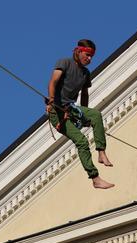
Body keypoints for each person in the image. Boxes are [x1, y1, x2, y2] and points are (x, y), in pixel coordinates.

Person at [46, 39, 114, 190]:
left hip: (72, 109)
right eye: (87, 55)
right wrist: (51, 101)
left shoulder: (85, 73)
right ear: (78, 51)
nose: (89, 59)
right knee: (82, 142)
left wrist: (84, 116)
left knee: (95, 115)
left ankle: (101, 152)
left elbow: (84, 94)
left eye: (92, 57)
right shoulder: (64, 62)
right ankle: (95, 178)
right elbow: (53, 82)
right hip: (57, 111)